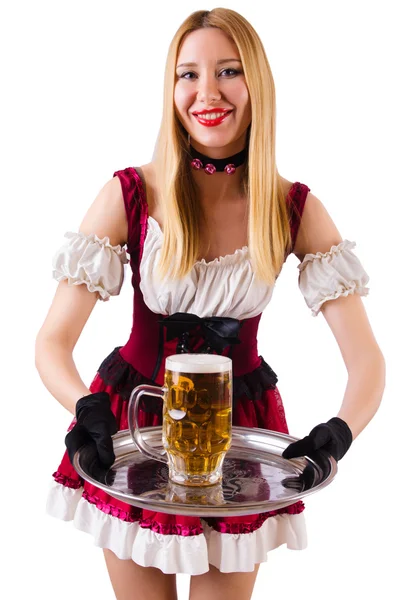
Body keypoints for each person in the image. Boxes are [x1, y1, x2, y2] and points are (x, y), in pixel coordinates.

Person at [35, 7, 385, 600]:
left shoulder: (293, 208)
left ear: (256, 83)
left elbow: (368, 361)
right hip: (135, 420)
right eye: (187, 74)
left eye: (228, 71)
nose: (207, 93)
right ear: (170, 90)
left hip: (239, 434)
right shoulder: (130, 194)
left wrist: (340, 433)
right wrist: (84, 408)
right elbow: (50, 342)